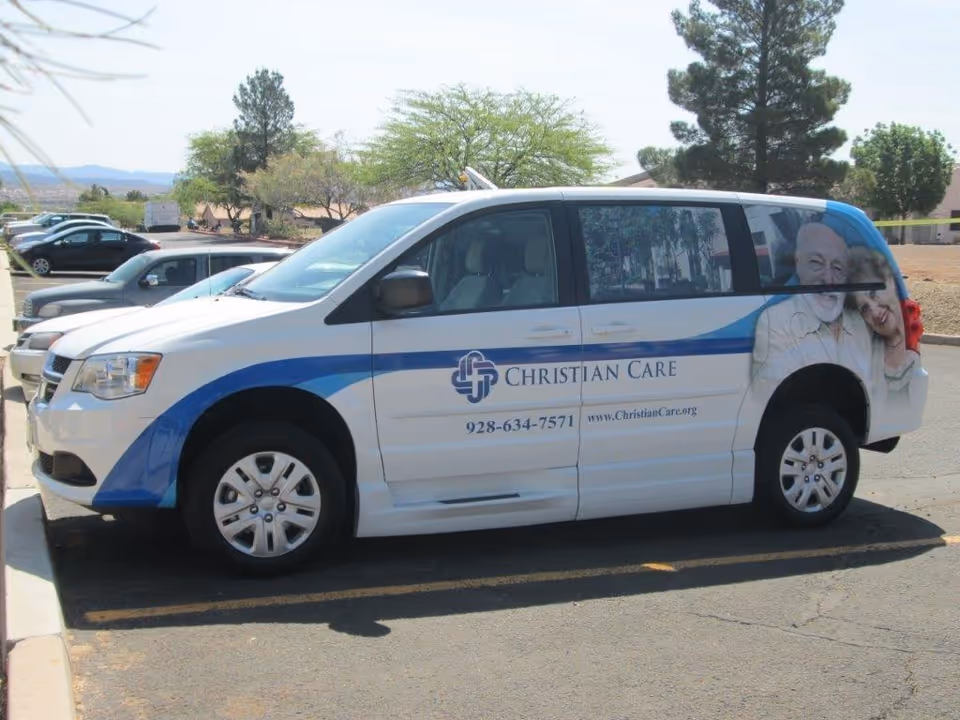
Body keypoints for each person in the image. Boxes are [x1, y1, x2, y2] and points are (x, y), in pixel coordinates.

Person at [751, 221, 873, 391]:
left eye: (838, 268)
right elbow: (769, 395)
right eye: (816, 262)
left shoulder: (859, 325)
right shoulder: (775, 321)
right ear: (798, 264)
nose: (828, 279)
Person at [846, 246, 918, 402]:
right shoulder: (871, 353)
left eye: (873, 293)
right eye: (864, 309)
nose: (875, 312)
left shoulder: (911, 341)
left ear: (890, 280)